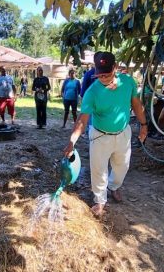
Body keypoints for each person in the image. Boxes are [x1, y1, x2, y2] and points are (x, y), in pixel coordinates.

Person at [63, 52, 148, 216]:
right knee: (98, 169)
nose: (102, 78)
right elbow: (82, 120)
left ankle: (114, 186)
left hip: (123, 133)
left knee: (122, 166)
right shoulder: (92, 92)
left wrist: (143, 125)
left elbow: (136, 104)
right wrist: (72, 141)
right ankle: (100, 200)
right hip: (100, 135)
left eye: (106, 74)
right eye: (99, 74)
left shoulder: (128, 82)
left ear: (115, 68)